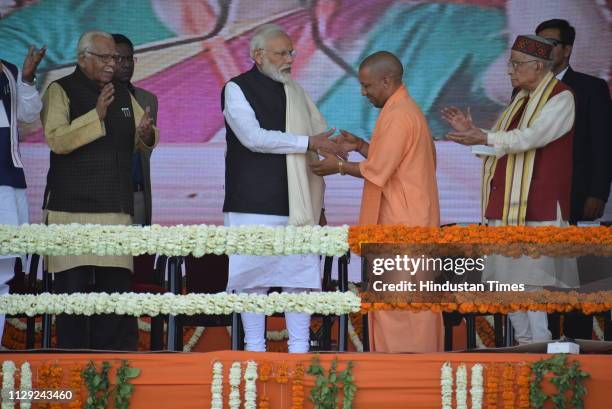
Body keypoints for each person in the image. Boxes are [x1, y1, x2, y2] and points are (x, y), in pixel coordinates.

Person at [441, 35, 578, 344]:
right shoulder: (520, 98)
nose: (509, 71)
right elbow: (504, 143)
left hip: (537, 205)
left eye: (516, 64)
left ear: (538, 66)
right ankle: (525, 343)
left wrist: (484, 137)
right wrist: (475, 135)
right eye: (510, 63)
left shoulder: (561, 97)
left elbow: (530, 138)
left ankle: (539, 346)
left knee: (531, 283)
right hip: (504, 203)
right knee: (505, 283)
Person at [222, 23, 344, 353]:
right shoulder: (236, 89)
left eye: (291, 52)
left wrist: (337, 148)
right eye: (281, 53)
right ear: (258, 55)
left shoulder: (297, 92)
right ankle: (254, 350)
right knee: (252, 283)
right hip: (251, 202)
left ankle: (301, 351)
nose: (289, 59)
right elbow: (253, 138)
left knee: (299, 281)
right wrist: (307, 142)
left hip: (298, 205)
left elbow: (318, 144)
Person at [311, 51, 444, 353]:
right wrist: (359, 146)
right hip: (406, 221)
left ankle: (406, 378)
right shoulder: (403, 109)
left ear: (387, 81)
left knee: (402, 307)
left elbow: (380, 171)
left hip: (402, 226)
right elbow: (391, 163)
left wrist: (339, 167)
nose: (363, 92)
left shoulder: (399, 115)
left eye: (367, 86)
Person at [40, 30, 159, 350]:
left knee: (114, 296)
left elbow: (141, 137)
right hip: (70, 210)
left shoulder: (121, 92)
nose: (113, 64)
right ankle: (72, 365)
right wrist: (96, 116)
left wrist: (146, 133)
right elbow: (57, 139)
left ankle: (111, 365)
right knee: (72, 297)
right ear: (83, 58)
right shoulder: (59, 89)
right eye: (106, 58)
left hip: (114, 208)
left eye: (116, 58)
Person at [535, 19, 612, 341]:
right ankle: (547, 342)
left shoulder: (591, 88)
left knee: (578, 278)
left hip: (578, 197)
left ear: (567, 50)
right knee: (544, 276)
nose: (542, 50)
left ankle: (577, 347)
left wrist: (598, 193)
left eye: (550, 43)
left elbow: (603, 144)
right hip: (538, 202)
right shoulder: (525, 87)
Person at [0, 45, 45, 344]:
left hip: (7, 181)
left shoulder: (9, 70)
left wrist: (27, 79)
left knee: (2, 277)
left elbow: (30, 113)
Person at [112, 33, 158, 226]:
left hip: (136, 192)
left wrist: (147, 137)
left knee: (137, 254)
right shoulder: (93, 98)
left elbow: (146, 150)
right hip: (102, 195)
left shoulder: (147, 99)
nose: (126, 64)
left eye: (130, 58)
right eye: (119, 59)